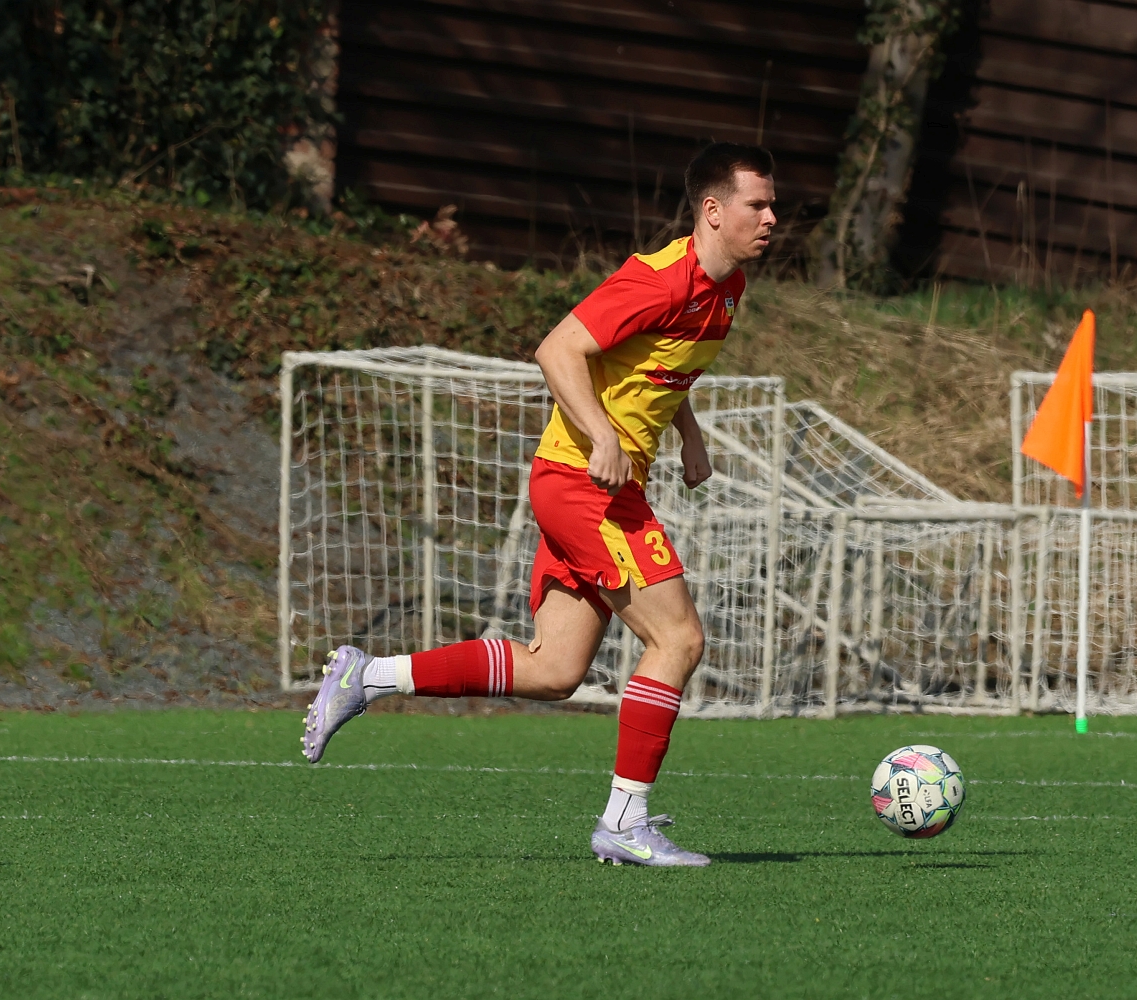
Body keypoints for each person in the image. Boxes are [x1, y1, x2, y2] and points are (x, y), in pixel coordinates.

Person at [299, 142, 778, 868]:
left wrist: (689, 436)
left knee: (555, 669)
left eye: (772, 206)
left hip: (590, 486)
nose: (770, 218)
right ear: (713, 211)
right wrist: (601, 436)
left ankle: (368, 677)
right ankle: (624, 821)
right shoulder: (658, 279)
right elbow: (558, 350)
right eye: (757, 205)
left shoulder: (726, 287)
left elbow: (656, 365)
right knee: (678, 640)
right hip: (586, 486)